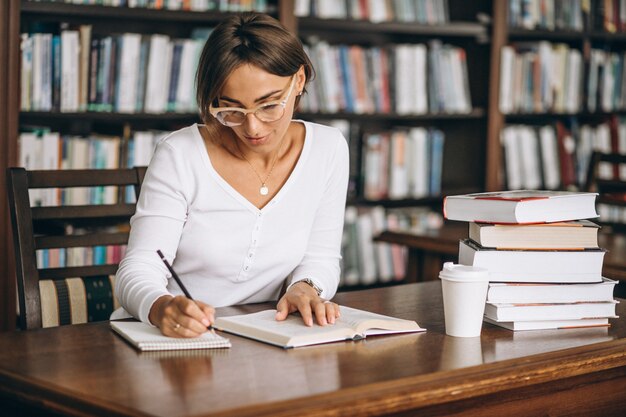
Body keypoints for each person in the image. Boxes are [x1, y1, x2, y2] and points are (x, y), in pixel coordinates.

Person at [113, 12, 349, 338]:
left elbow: (321, 257)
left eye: (269, 106)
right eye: (231, 110)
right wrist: (161, 306)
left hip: (270, 335)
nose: (252, 128)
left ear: (298, 80)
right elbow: (138, 268)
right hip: (174, 339)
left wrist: (305, 288)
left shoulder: (329, 148)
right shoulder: (179, 153)